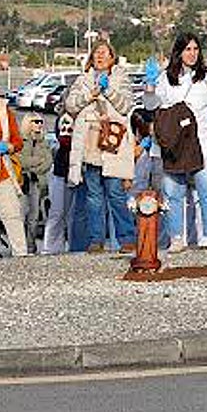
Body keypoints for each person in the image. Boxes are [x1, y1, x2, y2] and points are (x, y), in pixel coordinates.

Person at [143, 33, 207, 253]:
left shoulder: (206, 76)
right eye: (187, 49)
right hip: (173, 143)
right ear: (178, 52)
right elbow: (150, 105)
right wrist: (149, 85)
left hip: (202, 140)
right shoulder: (165, 78)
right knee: (172, 191)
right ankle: (176, 237)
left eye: (196, 49)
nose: (192, 53)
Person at [65, 40, 136, 253]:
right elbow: (70, 105)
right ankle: (96, 240)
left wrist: (109, 90)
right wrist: (90, 94)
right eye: (96, 52)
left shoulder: (121, 78)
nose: (100, 56)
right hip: (89, 143)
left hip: (112, 142)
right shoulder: (83, 79)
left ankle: (126, 239)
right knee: (93, 196)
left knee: (115, 193)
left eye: (104, 53)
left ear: (112, 57)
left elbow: (126, 106)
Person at [0, 96, 30, 256]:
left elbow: (18, 142)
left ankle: (21, 256)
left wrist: (8, 147)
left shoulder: (1, 109)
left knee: (13, 216)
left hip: (0, 173)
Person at [41, 111, 78, 254]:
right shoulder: (65, 118)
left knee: (73, 214)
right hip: (61, 170)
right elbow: (64, 140)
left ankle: (73, 245)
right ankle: (51, 247)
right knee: (57, 212)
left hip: (75, 171)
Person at [17, 112, 52, 253]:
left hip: (37, 182)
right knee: (22, 214)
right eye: (35, 121)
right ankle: (21, 246)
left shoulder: (43, 141)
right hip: (24, 182)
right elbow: (21, 161)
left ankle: (31, 246)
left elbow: (48, 161)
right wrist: (37, 161)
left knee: (34, 216)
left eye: (40, 121)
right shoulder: (21, 140)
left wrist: (35, 165)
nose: (39, 124)